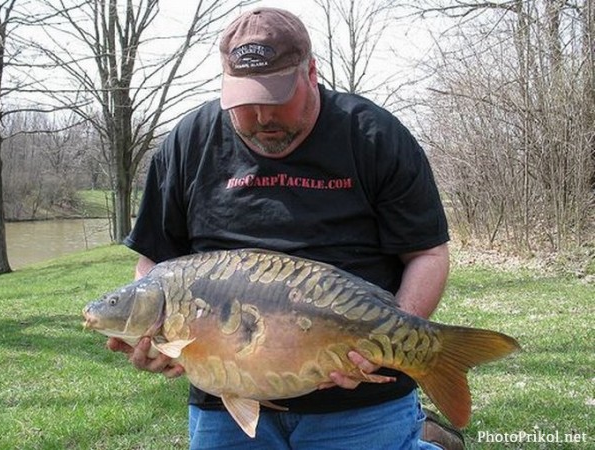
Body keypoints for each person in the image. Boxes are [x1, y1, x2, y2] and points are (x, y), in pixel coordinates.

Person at [108, 7, 464, 450]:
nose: (260, 116)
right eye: (243, 101)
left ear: (311, 72)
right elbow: (155, 261)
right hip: (224, 396)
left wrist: (389, 339)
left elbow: (427, 254)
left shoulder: (374, 135)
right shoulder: (186, 144)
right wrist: (155, 333)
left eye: (275, 97)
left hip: (362, 397)